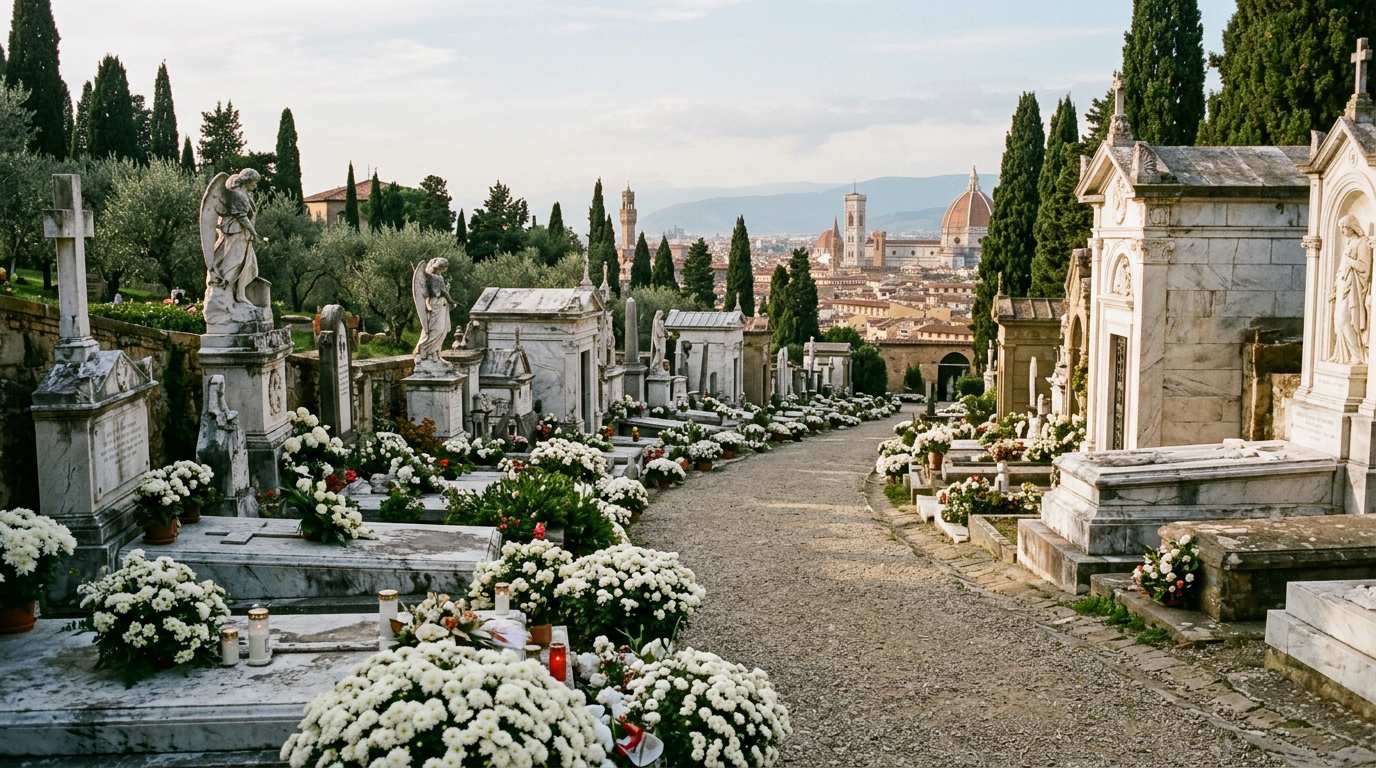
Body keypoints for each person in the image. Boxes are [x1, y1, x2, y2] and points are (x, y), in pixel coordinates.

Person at [1332, 215, 1372, 365]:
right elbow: (1341, 269)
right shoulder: (1348, 244)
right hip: (1343, 286)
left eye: (1344, 227)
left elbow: (1365, 269)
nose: (1342, 231)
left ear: (1352, 227)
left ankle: (1357, 355)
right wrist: (1335, 288)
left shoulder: (1362, 243)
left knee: (1345, 319)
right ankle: (1341, 355)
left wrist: (1350, 261)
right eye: (1341, 228)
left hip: (1354, 288)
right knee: (1338, 321)